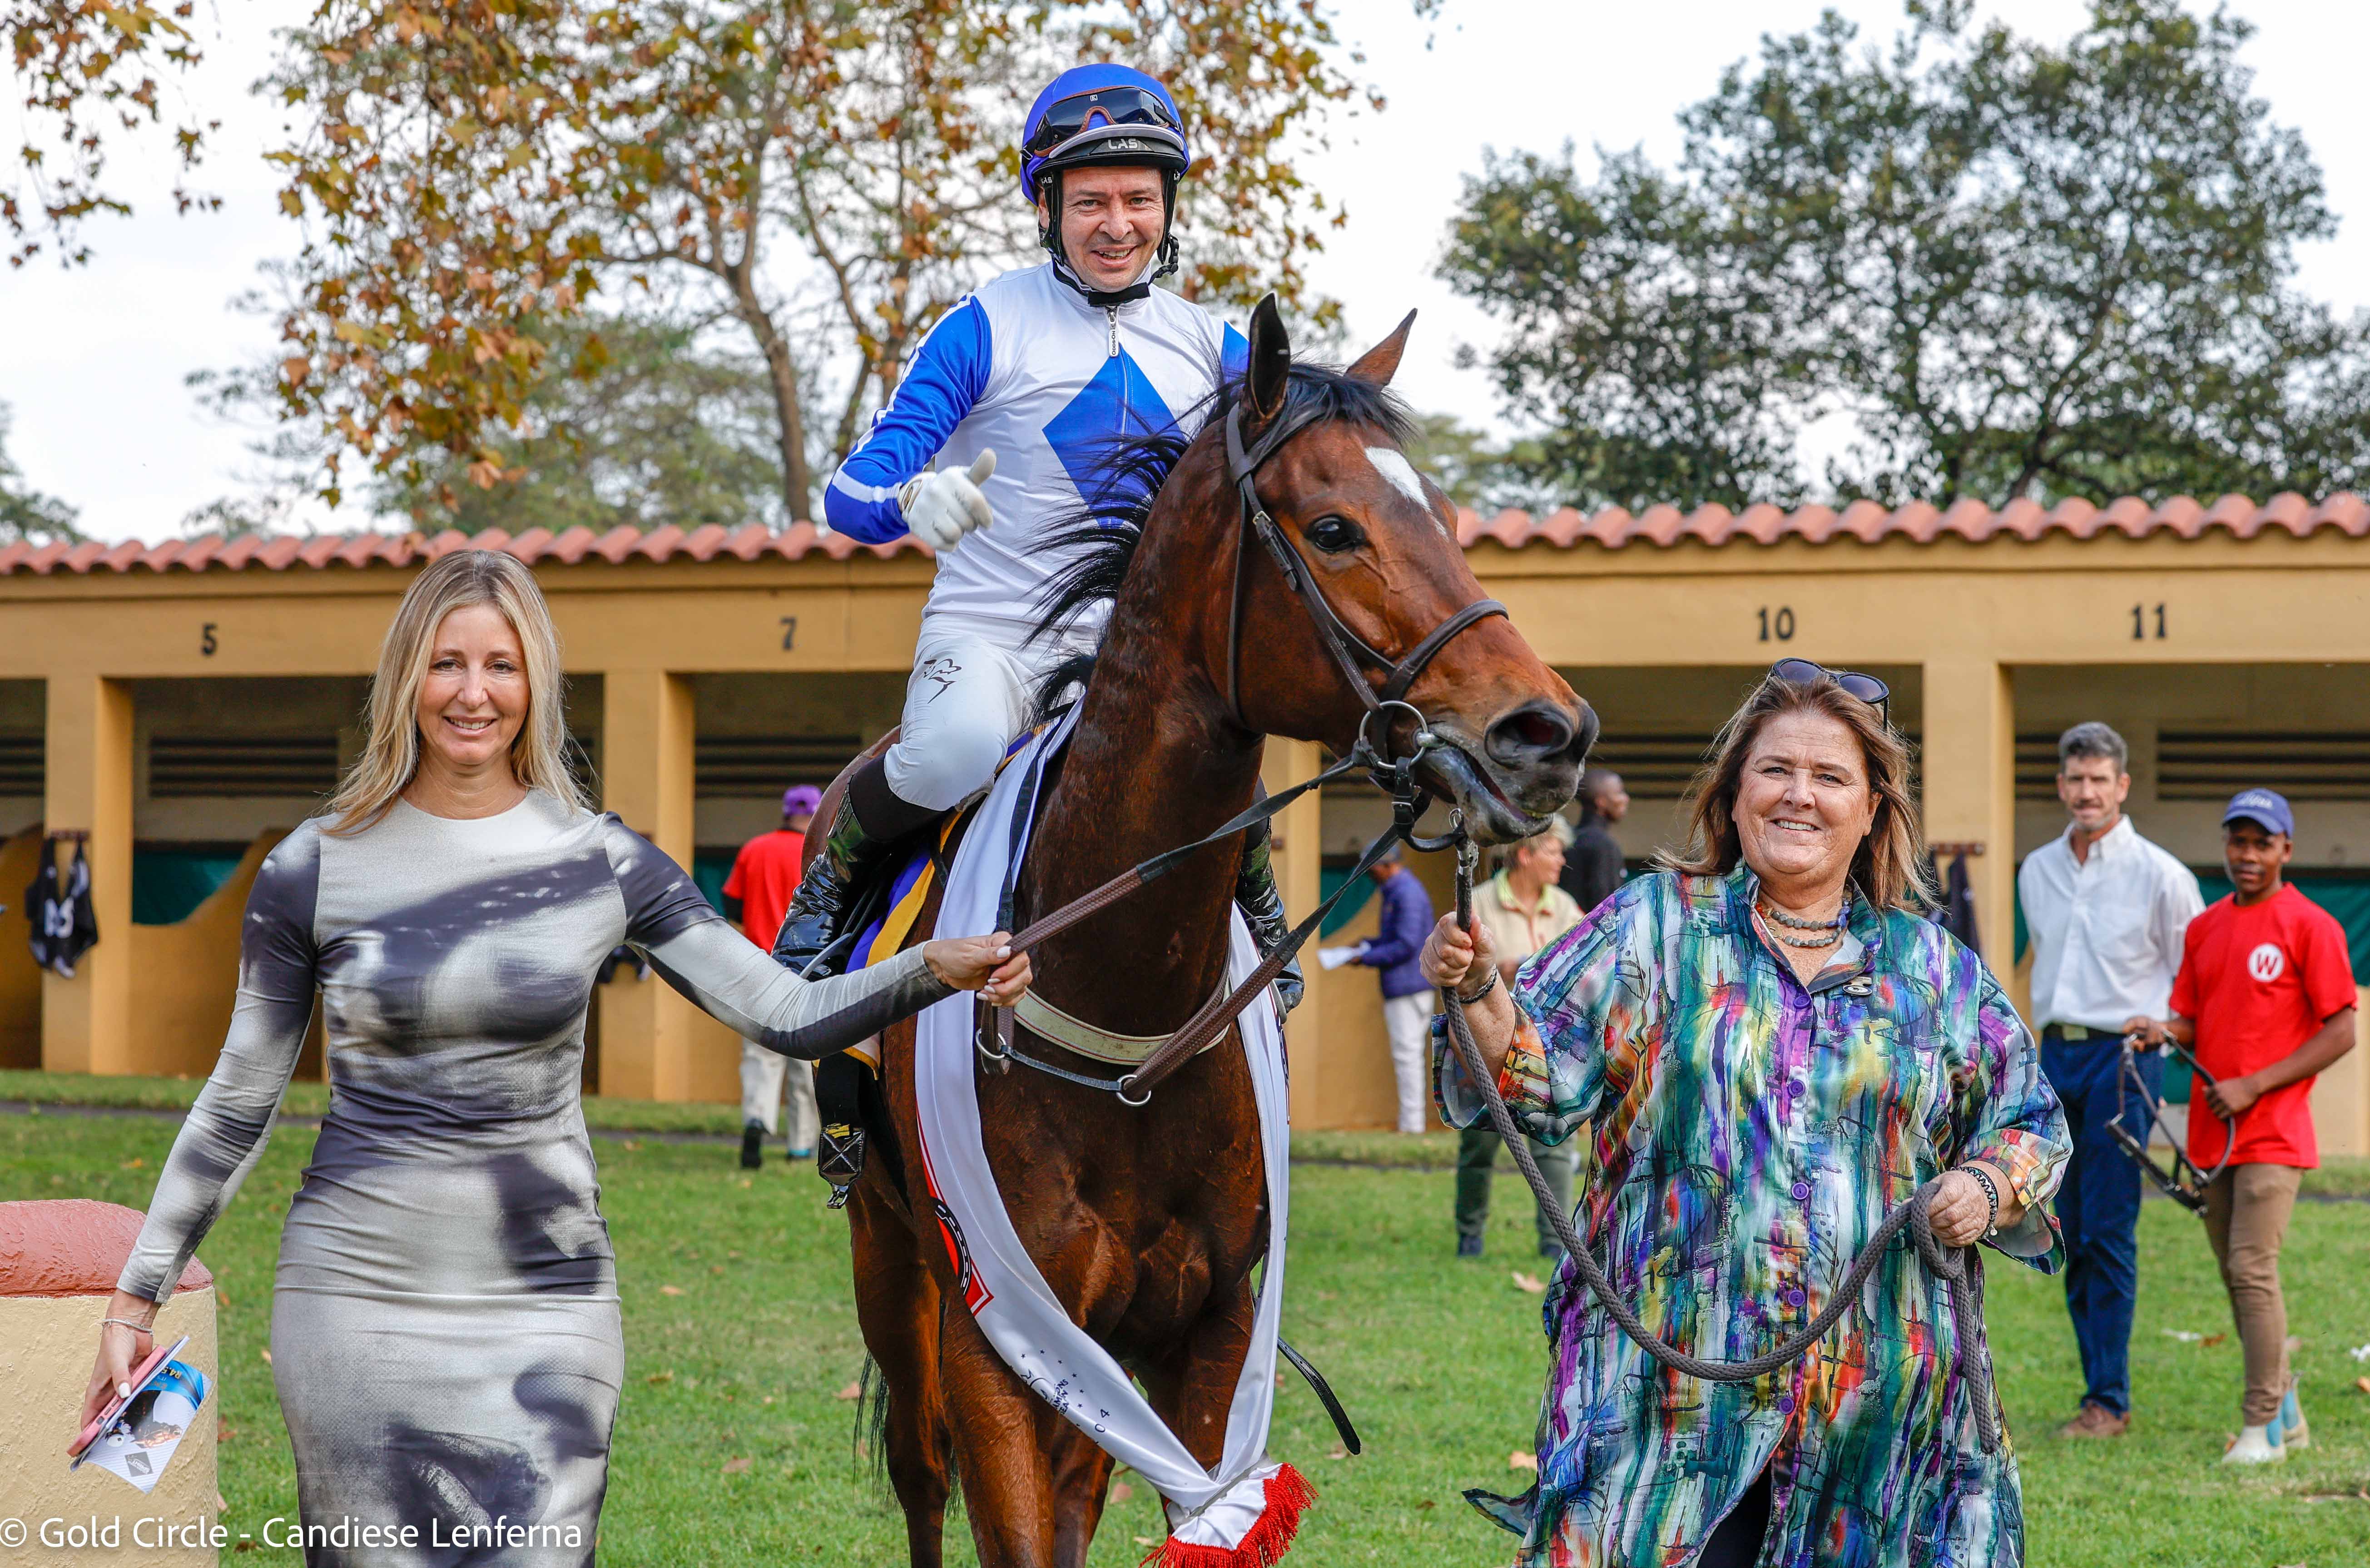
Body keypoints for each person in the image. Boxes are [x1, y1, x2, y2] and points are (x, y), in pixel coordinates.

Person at [78, 550, 1031, 1559]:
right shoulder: (313, 867)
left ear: (536, 683)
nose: (473, 693)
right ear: (405, 677)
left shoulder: (601, 861)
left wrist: (931, 966)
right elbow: (240, 1098)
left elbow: (781, 1009)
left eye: (502, 665)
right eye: (446, 663)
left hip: (550, 1303)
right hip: (355, 1304)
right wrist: (137, 1294)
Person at [1420, 660, 2068, 1568]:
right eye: (1774, 769)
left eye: (1829, 776)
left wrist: (1986, 1184)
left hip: (1872, 1421)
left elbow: (2029, 1119)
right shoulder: (1650, 926)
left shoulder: (1932, 969)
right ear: (1733, 795)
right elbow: (1529, 1075)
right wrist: (1477, 986)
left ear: (1871, 810)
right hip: (1664, 1408)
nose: (1798, 794)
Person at [777, 64, 1299, 1015]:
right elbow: (849, 494)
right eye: (1090, 201)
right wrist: (910, 500)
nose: (1116, 224)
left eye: (1138, 199)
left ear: (1167, 207)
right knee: (956, 750)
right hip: (994, 636)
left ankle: (1258, 901)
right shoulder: (985, 324)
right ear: (1047, 206)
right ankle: (828, 892)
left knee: (1222, 738)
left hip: (1136, 655)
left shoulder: (1217, 348)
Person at [2124, 788, 2356, 1465]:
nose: (2247, 854)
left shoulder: (2311, 925)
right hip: (2210, 1135)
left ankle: (2260, 1432)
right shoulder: (2205, 928)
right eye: (2238, 841)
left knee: (2253, 1270)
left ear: (2286, 849)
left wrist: (2253, 1084)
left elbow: (2341, 1028)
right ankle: (2286, 1414)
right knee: (2236, 1276)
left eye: (2261, 843)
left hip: (2272, 1132)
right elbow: (2195, 1020)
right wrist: (2161, 1030)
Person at [2015, 721, 2201, 1439]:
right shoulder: (2037, 869)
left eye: (2099, 779)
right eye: (2075, 779)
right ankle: (2096, 1390)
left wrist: (2167, 1030)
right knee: (2065, 1229)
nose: (2086, 792)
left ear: (2121, 785)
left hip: (2123, 1060)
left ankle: (2108, 1401)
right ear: (2060, 785)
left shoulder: (2162, 876)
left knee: (2108, 1230)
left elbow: (2195, 984)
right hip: (2054, 1059)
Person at [1456, 823, 1584, 1260]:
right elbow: (1461, 966)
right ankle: (1469, 1235)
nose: (1562, 860)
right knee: (1479, 1142)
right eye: (1553, 851)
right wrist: (1501, 969)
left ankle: (1554, 1244)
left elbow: (1584, 964)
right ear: (1526, 855)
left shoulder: (1565, 906)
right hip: (1486, 1038)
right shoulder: (1479, 902)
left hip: (1548, 1044)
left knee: (1555, 1143)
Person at [725, 784, 823, 1167]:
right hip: (809, 972)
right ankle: (800, 1147)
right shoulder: (821, 853)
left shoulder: (755, 849)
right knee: (805, 1061)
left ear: (785, 812)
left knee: (760, 1056)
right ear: (816, 814)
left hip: (759, 969)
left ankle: (756, 1121)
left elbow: (733, 908)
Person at [1320, 843, 1437, 1134]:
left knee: (1407, 1056)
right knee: (1408, 1055)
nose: (1370, 874)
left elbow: (1406, 945)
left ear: (1388, 865)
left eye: (1372, 868)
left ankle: (1412, 1126)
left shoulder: (1406, 893)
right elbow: (1397, 939)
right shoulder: (1398, 890)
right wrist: (1366, 945)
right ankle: (1411, 1124)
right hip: (1408, 985)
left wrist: (1366, 957)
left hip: (1408, 987)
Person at [1560, 765, 1628, 914]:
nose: (1626, 799)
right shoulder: (1604, 846)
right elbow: (1606, 910)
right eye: (1619, 793)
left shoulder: (1567, 840)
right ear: (1601, 802)